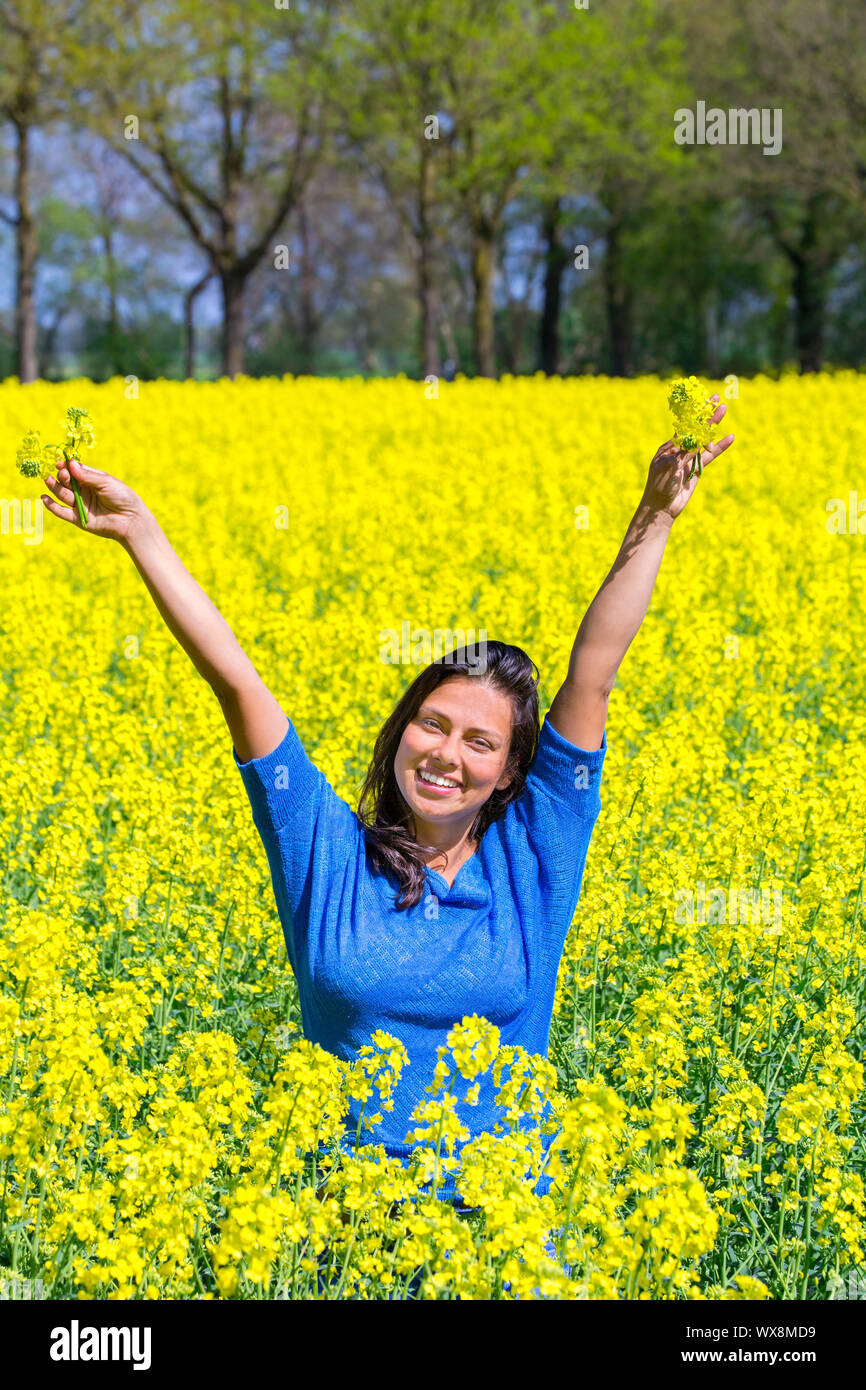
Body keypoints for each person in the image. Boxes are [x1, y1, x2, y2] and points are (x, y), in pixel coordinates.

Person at [39, 396, 734, 1295]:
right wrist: (142, 534)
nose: (446, 753)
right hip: (341, 1248)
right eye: (430, 724)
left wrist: (655, 517)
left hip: (505, 1250)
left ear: (514, 773)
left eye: (479, 742)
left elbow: (594, 669)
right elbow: (234, 679)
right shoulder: (324, 852)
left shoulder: (534, 862)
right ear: (399, 729)